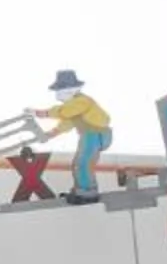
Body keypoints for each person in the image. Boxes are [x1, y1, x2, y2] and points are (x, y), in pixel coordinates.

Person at [34, 69, 114, 203]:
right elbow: (67, 123)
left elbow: (64, 112)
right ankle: (81, 189)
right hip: (91, 135)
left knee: (82, 164)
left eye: (60, 90)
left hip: (95, 135)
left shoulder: (81, 101)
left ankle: (87, 192)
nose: (58, 94)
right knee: (81, 164)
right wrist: (50, 134)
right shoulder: (74, 106)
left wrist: (44, 113)